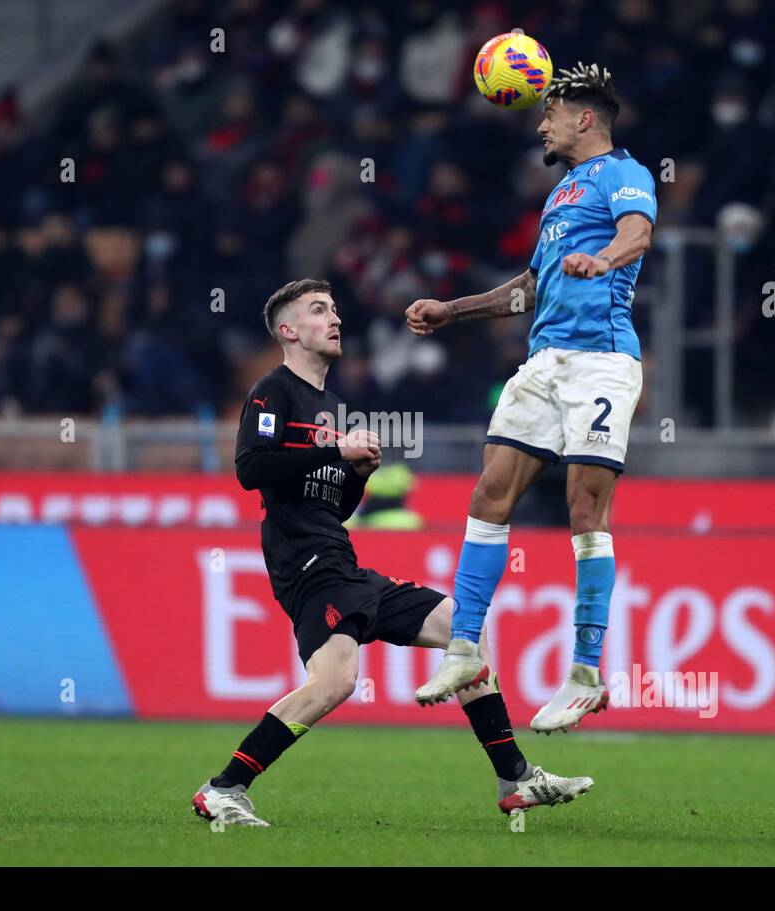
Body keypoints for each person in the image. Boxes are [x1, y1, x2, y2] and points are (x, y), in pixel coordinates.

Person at [191, 279, 592, 827]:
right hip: (307, 565)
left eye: (333, 308)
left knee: (460, 626)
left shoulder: (331, 404)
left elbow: (329, 499)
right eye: (317, 310)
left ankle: (515, 778)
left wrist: (356, 476)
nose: (333, 318)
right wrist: (335, 447)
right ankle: (224, 788)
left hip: (340, 558)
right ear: (288, 331)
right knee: (334, 682)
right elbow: (251, 469)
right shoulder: (273, 391)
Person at [405, 63, 655, 734]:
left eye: (550, 113)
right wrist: (453, 311)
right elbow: (531, 287)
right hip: (543, 363)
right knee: (489, 493)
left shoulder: (624, 173)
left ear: (585, 119)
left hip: (601, 363)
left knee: (584, 507)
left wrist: (604, 260)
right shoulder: (560, 195)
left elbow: (638, 233)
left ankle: (585, 673)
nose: (540, 124)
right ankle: (463, 646)